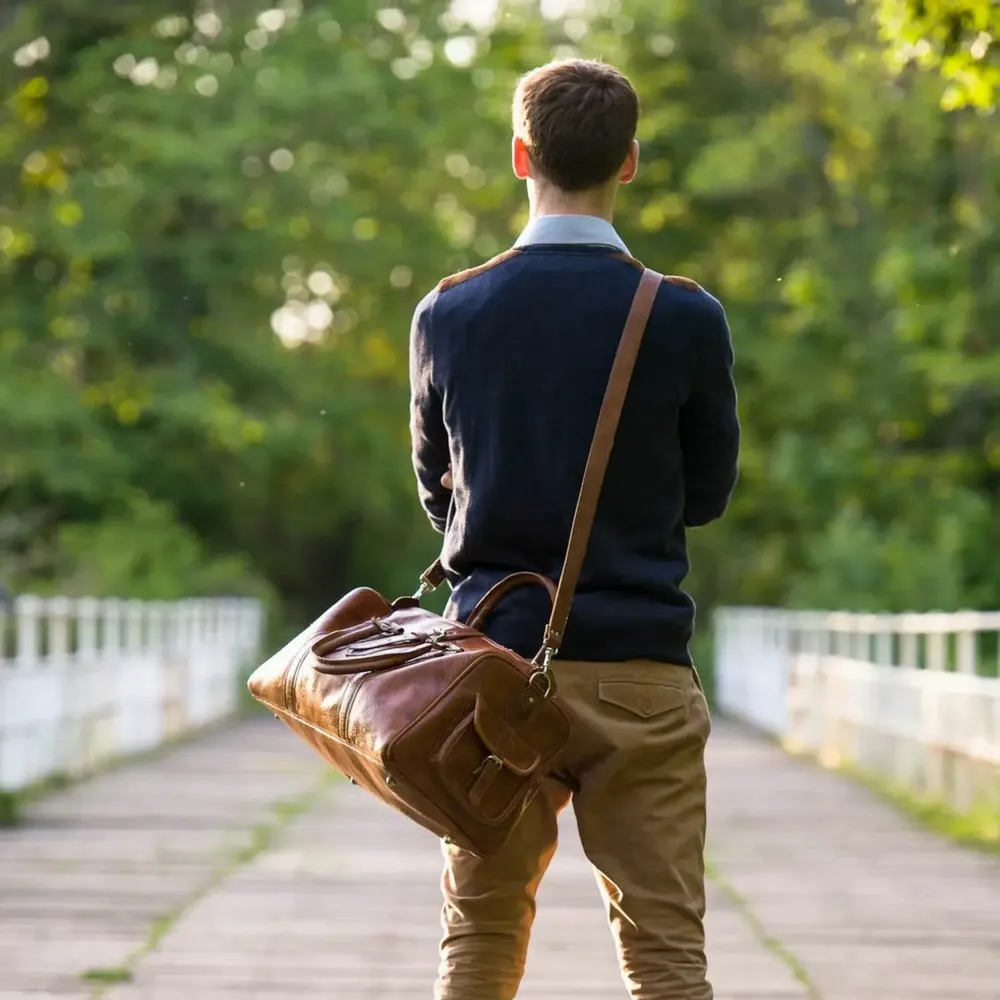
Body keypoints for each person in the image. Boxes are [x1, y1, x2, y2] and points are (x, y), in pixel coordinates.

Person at [408, 58, 739, 1000]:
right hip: (640, 670)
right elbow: (707, 494)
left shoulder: (450, 311)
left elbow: (442, 499)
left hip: (492, 677)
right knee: (666, 948)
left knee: (478, 933)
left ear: (521, 154)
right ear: (628, 162)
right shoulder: (683, 316)